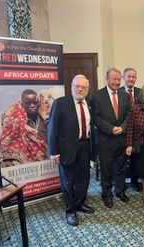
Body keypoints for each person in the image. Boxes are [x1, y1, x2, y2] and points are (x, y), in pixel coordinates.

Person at [48, 74, 95, 227]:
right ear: (71, 86)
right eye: (77, 86)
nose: (80, 89)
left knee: (84, 178)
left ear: (87, 89)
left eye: (84, 87)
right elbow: (52, 128)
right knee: (68, 181)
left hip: (85, 146)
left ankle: (80, 203)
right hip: (66, 148)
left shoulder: (89, 103)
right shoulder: (60, 103)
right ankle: (70, 210)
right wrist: (53, 151)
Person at [92, 68, 132, 208]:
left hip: (121, 138)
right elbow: (96, 118)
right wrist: (111, 129)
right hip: (106, 139)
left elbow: (129, 115)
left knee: (121, 167)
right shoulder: (97, 96)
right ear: (107, 79)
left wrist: (123, 127)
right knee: (106, 169)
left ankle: (120, 191)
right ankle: (106, 194)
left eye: (118, 79)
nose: (116, 82)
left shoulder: (125, 96)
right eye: (113, 79)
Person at [0, 89, 49, 166]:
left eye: (35, 102)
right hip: (25, 168)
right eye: (28, 103)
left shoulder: (46, 117)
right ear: (22, 103)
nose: (32, 105)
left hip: (48, 165)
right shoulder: (15, 122)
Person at [120, 68, 141, 192]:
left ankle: (135, 181)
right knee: (121, 158)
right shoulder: (118, 92)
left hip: (137, 131)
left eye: (133, 77)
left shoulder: (140, 92)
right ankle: (121, 183)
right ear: (124, 78)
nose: (131, 79)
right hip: (122, 130)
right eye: (129, 77)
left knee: (135, 158)